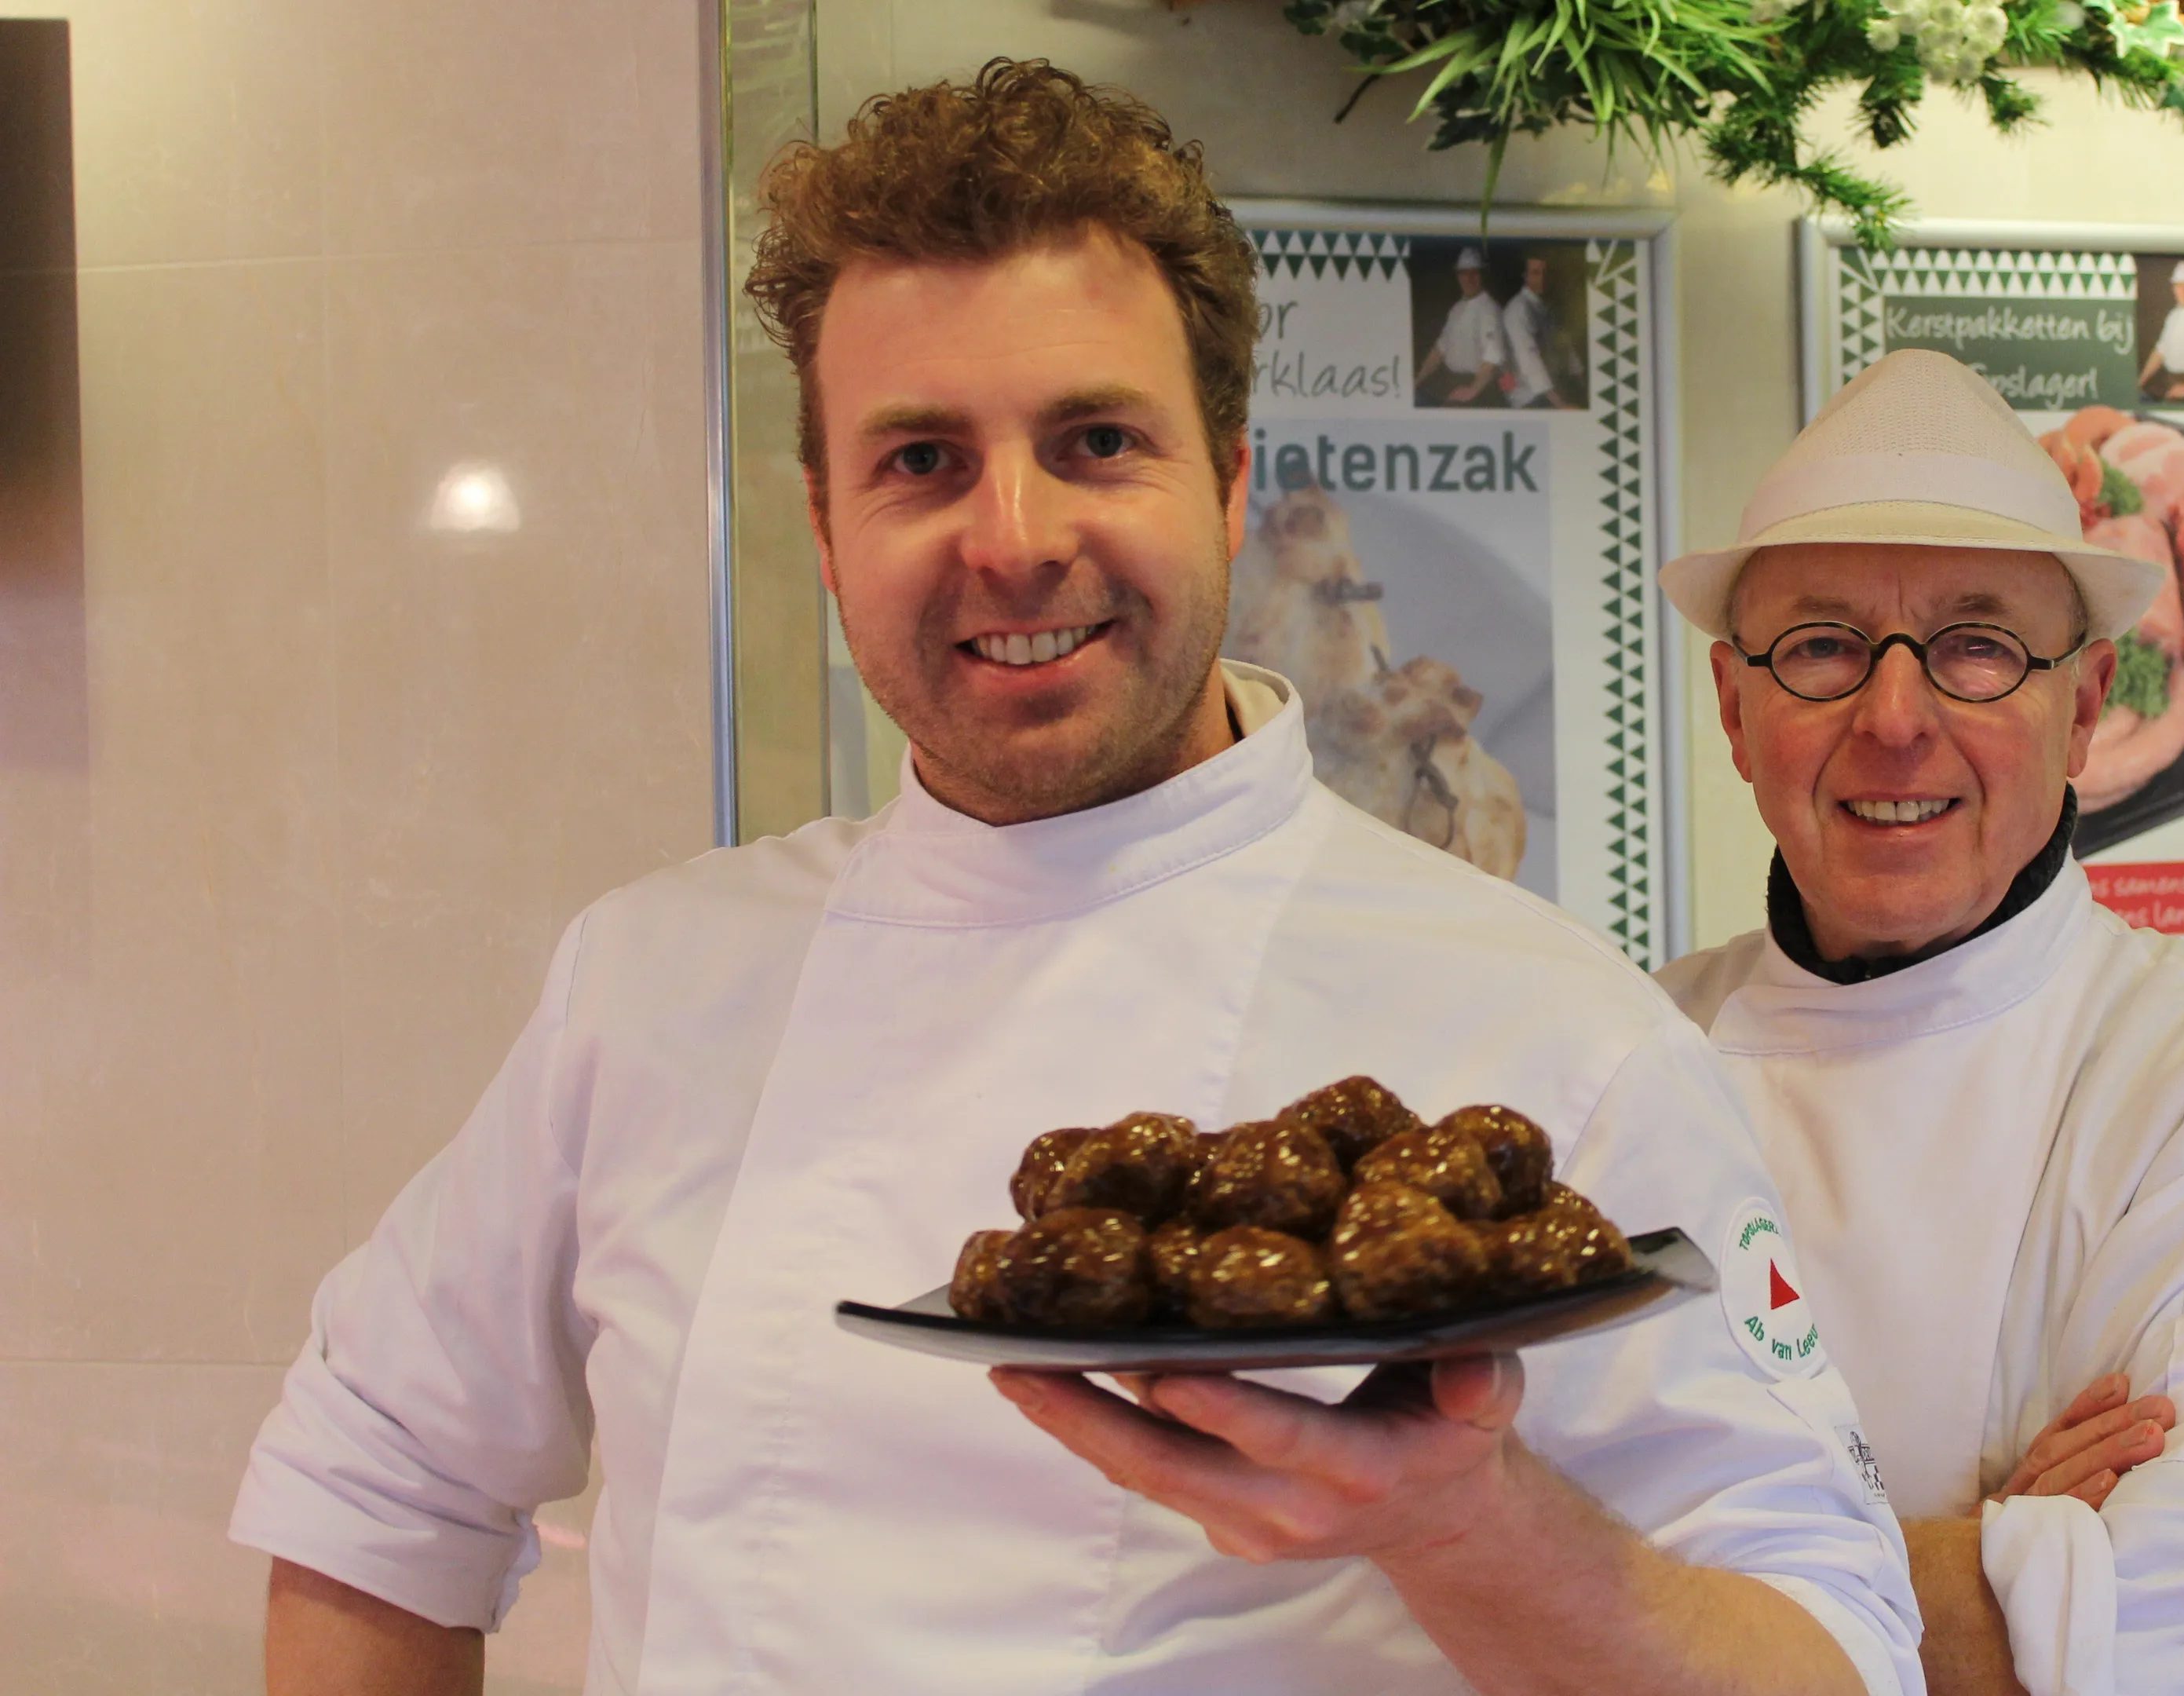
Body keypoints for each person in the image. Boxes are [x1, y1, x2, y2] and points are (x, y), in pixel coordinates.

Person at [232, 60, 1923, 1696]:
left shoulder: (1553, 1033)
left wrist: (1465, 1525)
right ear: (824, 527)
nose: (1015, 537)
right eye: (921, 460)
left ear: (1236, 484)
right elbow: (382, 1486)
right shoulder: (654, 977)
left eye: (1098, 440)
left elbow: (1837, 1659)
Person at [1653, 349, 2184, 1695]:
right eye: (1820, 647)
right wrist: (2014, 1556)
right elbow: (1487, 1564)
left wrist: (1663, 1595)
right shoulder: (1623, 1063)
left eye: (1977, 650)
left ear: (2086, 709)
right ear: (1734, 710)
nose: (1893, 719)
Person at [1416, 246, 1507, 406]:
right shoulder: (1456, 309)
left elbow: (1492, 358)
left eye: (1474, 273)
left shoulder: (1490, 310)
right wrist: (1417, 380)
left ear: (1482, 275)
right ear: (1458, 276)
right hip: (1450, 380)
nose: (1469, 279)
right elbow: (1439, 350)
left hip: (1480, 387)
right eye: (1464, 273)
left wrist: (1473, 390)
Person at [2134, 260, 2184, 402]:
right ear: (2173, 288)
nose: (2183, 291)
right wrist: (2139, 382)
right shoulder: (2173, 315)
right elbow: (2160, 352)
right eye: (2179, 286)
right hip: (2169, 379)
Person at [1502, 253, 1575, 411]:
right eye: (1535, 273)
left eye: (1545, 273)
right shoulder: (1517, 309)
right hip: (1529, 397)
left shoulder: (1546, 306)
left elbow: (1565, 347)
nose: (1542, 279)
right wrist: (1560, 404)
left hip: (1552, 391)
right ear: (1525, 276)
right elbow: (1529, 359)